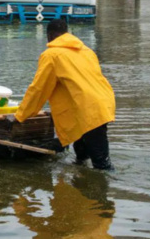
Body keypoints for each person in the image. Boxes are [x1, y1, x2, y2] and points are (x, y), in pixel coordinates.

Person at [14, 19, 115, 170]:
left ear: (49, 36)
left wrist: (20, 116)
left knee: (102, 165)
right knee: (81, 155)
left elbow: (38, 90)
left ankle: (105, 188)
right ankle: (80, 183)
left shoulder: (52, 55)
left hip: (88, 109)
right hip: (103, 103)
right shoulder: (87, 51)